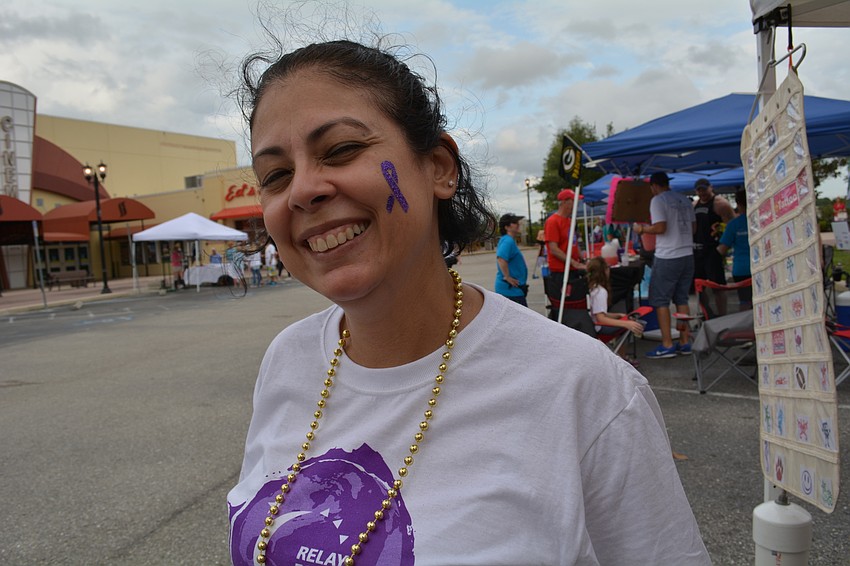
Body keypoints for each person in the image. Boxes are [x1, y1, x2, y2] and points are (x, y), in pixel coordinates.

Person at [227, 36, 709, 566]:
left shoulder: (585, 390)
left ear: (438, 167)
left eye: (341, 150)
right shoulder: (286, 360)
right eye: (276, 175)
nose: (302, 190)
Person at [635, 172, 696, 359]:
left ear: (653, 186)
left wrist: (643, 229)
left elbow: (661, 228)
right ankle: (685, 341)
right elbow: (694, 228)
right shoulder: (684, 200)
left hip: (668, 255)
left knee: (660, 300)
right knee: (682, 299)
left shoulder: (658, 200)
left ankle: (667, 344)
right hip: (687, 254)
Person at [586, 256, 646, 366]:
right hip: (599, 327)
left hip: (592, 323)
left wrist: (617, 315)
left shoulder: (592, 287)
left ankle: (621, 356)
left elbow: (598, 313)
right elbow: (601, 318)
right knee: (626, 328)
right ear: (604, 271)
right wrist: (626, 324)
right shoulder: (601, 291)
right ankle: (622, 358)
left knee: (625, 321)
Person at [693, 178, 735, 317]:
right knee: (700, 287)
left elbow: (732, 227)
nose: (702, 192)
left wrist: (723, 248)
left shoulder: (720, 204)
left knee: (718, 287)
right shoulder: (694, 204)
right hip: (697, 250)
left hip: (713, 251)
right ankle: (707, 314)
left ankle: (722, 316)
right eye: (699, 190)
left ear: (711, 188)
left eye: (704, 189)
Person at [543, 188, 588, 313]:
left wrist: (584, 260)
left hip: (573, 271)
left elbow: (574, 244)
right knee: (564, 308)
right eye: (574, 201)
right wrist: (575, 263)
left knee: (576, 304)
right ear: (565, 202)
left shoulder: (570, 221)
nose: (576, 205)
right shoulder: (553, 221)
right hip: (560, 272)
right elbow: (554, 249)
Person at [717, 189, 752, 308]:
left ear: (739, 204)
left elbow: (722, 249)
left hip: (742, 269)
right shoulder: (762, 219)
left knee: (745, 302)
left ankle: (748, 326)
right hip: (761, 267)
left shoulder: (734, 224)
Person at [494, 213, 529, 306]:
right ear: (507, 227)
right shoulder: (508, 241)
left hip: (513, 289)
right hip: (510, 290)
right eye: (514, 222)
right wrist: (507, 277)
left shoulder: (508, 240)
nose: (518, 224)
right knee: (522, 319)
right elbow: (501, 258)